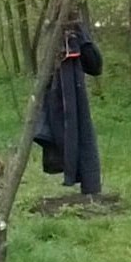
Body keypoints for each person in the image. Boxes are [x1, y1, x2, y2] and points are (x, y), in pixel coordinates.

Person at [33, 15, 103, 194]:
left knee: (79, 134)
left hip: (71, 102)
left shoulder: (75, 34)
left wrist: (82, 38)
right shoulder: (52, 35)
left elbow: (95, 66)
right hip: (58, 103)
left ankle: (86, 181)